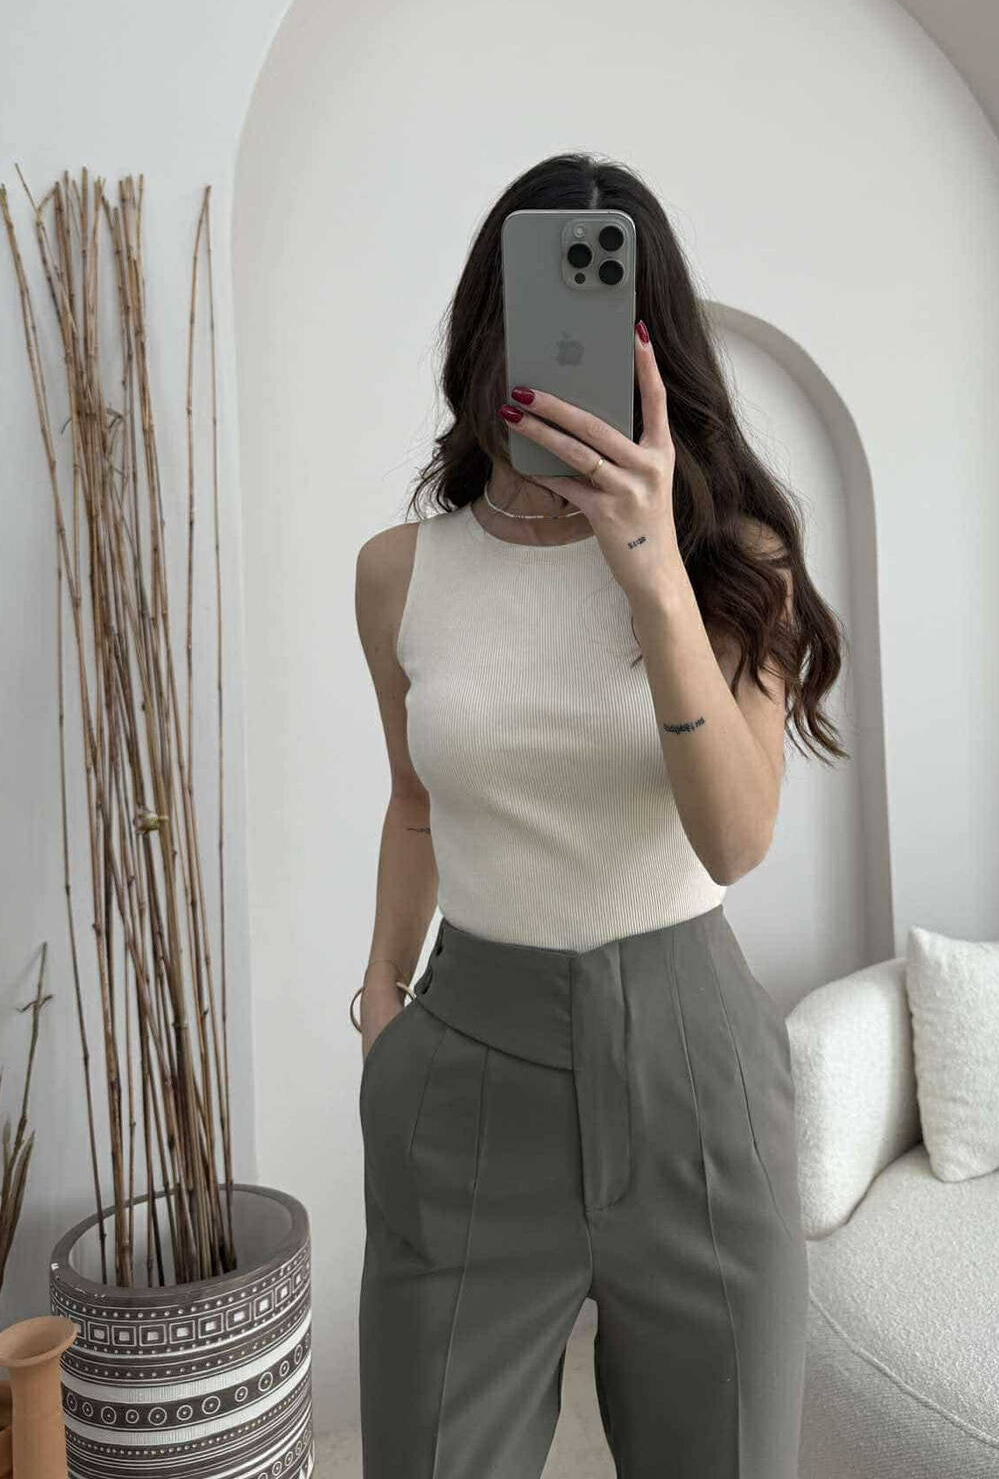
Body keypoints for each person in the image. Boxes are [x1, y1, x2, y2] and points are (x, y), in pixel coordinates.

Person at [352, 152, 847, 1478]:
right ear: (488, 333)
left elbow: (735, 840)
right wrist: (381, 1000)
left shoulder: (734, 566)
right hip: (468, 1063)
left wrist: (653, 577)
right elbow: (414, 803)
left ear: (652, 349)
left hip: (697, 1077)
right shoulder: (400, 575)